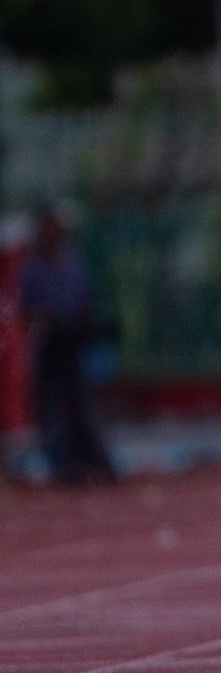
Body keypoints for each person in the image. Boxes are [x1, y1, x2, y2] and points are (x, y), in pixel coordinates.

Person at [17, 207, 116, 486]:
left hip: (73, 346)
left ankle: (96, 461)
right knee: (49, 407)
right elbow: (27, 310)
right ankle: (60, 465)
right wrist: (47, 321)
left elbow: (86, 302)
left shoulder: (73, 264)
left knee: (81, 405)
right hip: (49, 348)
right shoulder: (32, 269)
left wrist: (87, 327)